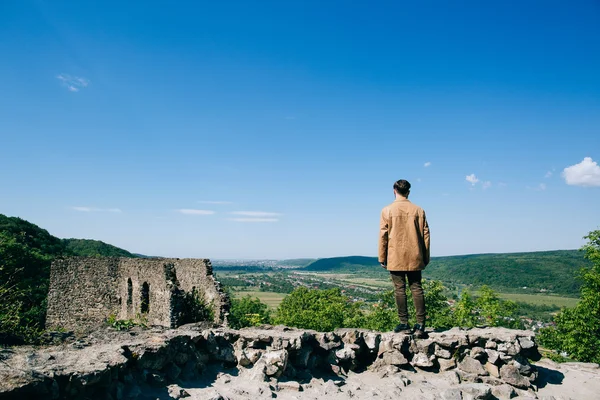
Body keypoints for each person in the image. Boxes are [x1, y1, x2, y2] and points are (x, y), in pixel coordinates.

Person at [378, 179, 430, 338]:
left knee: (399, 290)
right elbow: (425, 235)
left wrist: (382, 256)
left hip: (395, 256)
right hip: (415, 255)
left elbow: (383, 235)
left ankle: (404, 324)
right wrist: (425, 257)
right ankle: (420, 325)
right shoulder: (418, 210)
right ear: (408, 191)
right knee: (416, 288)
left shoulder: (387, 210)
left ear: (394, 190)